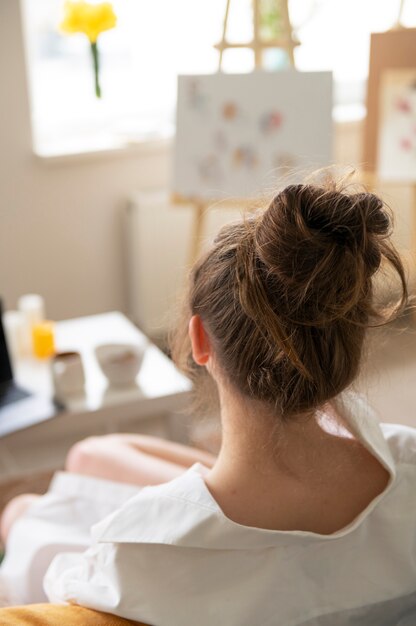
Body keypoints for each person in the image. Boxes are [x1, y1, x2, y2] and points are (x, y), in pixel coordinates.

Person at [1, 180, 416, 625]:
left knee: (22, 511)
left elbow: (63, 588)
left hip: (196, 538)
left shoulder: (141, 551)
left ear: (201, 341)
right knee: (92, 456)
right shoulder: (408, 460)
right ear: (350, 347)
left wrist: (21, 519)